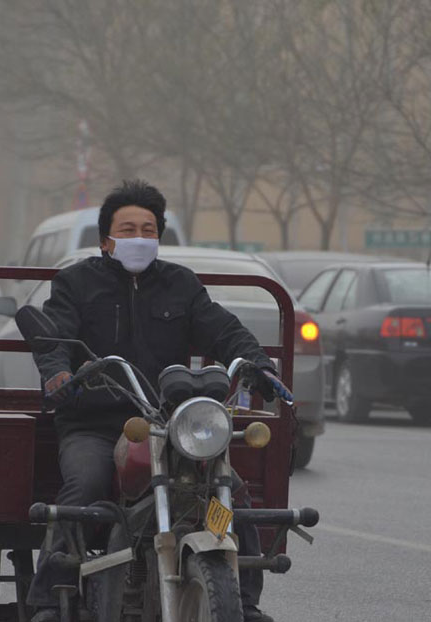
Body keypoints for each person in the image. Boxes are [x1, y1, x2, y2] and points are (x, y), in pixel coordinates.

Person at [27, 179, 288, 622]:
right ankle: (50, 599)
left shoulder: (180, 285)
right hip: (94, 422)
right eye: (128, 230)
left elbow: (224, 330)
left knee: (229, 494)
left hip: (168, 424)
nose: (139, 238)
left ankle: (243, 602)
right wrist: (58, 373)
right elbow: (55, 338)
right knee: (84, 487)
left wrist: (259, 365)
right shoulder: (75, 283)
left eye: (148, 230)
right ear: (106, 239)